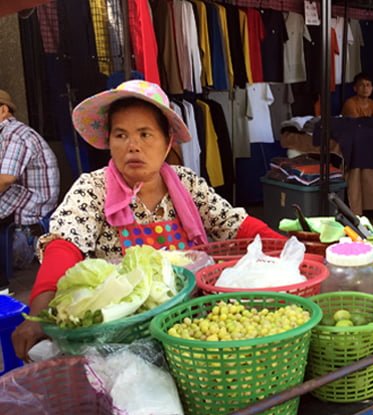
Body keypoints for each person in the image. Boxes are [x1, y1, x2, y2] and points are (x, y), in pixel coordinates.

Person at [11, 80, 284, 360]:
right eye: (121, 135)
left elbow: (236, 225)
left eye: (145, 134)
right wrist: (39, 314)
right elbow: (64, 244)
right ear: (109, 143)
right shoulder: (93, 189)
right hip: (118, 339)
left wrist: (289, 249)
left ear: (167, 143)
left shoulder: (187, 183)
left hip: (191, 328)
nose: (133, 146)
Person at [0, 90, 60, 283]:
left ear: (3, 110)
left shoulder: (14, 134)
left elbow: (6, 178)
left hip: (32, 200)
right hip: (18, 194)